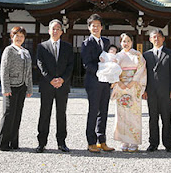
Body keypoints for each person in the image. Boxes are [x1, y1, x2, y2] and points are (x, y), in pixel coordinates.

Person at [36, 19, 74, 153]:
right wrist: (51, 79)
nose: (55, 31)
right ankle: (41, 142)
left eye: (58, 28)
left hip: (63, 86)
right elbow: (40, 65)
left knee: (61, 114)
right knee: (44, 113)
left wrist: (62, 79)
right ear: (49, 31)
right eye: (53, 28)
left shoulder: (68, 47)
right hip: (47, 85)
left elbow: (70, 65)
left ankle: (61, 142)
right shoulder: (42, 46)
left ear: (62, 31)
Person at [80, 13, 115, 153]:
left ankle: (102, 140)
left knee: (104, 111)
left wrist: (111, 72)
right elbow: (87, 64)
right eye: (93, 26)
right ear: (89, 28)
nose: (95, 28)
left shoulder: (106, 42)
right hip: (93, 80)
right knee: (93, 111)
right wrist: (102, 70)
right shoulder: (86, 43)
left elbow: (111, 58)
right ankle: (91, 141)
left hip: (106, 81)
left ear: (102, 27)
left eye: (98, 25)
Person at [0, 26, 33, 151]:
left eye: (22, 36)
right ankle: (2, 143)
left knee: (17, 114)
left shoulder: (26, 52)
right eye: (17, 35)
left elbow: (29, 72)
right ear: (12, 37)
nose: (19, 38)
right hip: (11, 86)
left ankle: (14, 142)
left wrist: (29, 88)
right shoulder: (9, 50)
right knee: (8, 114)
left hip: (22, 86)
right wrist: (5, 88)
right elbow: (4, 70)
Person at [142, 29, 171, 152]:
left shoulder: (170, 54)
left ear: (163, 39)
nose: (156, 39)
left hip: (166, 91)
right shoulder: (146, 55)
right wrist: (144, 89)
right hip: (151, 91)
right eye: (154, 37)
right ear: (150, 39)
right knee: (153, 118)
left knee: (166, 118)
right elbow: (143, 74)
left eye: (158, 37)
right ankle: (153, 143)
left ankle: (168, 144)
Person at [111, 33, 146, 152]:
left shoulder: (137, 55)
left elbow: (141, 69)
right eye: (124, 41)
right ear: (120, 43)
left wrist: (134, 81)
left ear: (132, 42)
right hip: (121, 87)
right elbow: (113, 70)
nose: (126, 43)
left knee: (134, 114)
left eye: (128, 41)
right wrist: (118, 82)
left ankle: (134, 141)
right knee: (121, 114)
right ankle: (124, 140)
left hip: (134, 87)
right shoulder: (117, 56)